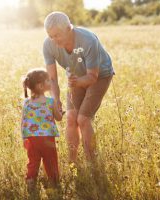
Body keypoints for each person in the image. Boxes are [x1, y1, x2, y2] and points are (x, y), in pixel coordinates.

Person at [43, 11, 115, 163]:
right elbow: (52, 78)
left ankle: (91, 162)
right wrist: (55, 99)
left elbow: (92, 77)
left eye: (58, 35)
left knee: (83, 119)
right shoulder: (48, 45)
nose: (54, 40)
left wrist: (76, 83)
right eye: (51, 36)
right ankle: (72, 163)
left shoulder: (88, 40)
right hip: (75, 77)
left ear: (69, 28)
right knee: (70, 117)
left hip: (99, 76)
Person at [21, 68, 63, 190]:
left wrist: (24, 137)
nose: (51, 82)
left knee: (33, 161)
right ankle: (54, 182)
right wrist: (60, 111)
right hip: (47, 138)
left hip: (31, 138)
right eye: (48, 81)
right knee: (50, 160)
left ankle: (30, 181)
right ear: (40, 86)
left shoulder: (27, 103)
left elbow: (23, 121)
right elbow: (59, 118)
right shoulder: (50, 101)